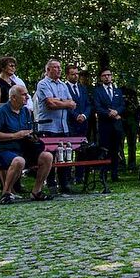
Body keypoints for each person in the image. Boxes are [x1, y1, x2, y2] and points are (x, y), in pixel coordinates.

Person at [0, 85, 53, 203]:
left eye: (26, 94)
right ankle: (6, 193)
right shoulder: (0, 112)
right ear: (13, 97)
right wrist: (14, 135)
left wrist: (33, 137)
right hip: (5, 150)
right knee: (19, 161)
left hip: (24, 149)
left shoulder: (26, 111)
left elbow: (28, 131)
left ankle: (36, 191)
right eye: (23, 94)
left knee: (47, 156)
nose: (27, 97)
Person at [35, 59, 77, 194]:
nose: (59, 69)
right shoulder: (43, 84)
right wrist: (62, 102)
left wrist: (58, 100)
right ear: (48, 70)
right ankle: (51, 183)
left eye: (60, 67)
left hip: (63, 127)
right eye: (55, 67)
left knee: (64, 155)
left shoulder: (63, 86)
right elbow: (50, 104)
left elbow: (72, 103)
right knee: (49, 156)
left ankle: (64, 184)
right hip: (48, 127)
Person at [92, 68, 125, 185]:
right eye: (104, 75)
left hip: (116, 125)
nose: (107, 77)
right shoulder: (97, 91)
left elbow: (122, 105)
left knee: (116, 150)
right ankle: (103, 174)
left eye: (109, 75)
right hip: (104, 125)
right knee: (104, 150)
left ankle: (115, 174)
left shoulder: (118, 91)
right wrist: (108, 113)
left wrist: (117, 112)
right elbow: (97, 106)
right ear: (101, 78)